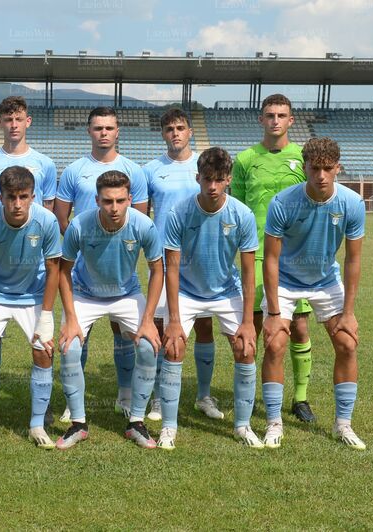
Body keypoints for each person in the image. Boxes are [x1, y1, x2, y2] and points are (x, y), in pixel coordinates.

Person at [261, 137, 366, 450]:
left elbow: (353, 260)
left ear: (338, 169)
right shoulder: (283, 202)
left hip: (325, 281)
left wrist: (349, 313)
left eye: (327, 169)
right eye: (315, 168)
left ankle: (343, 424)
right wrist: (275, 313)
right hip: (286, 281)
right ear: (304, 167)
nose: (321, 175)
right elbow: (271, 259)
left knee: (347, 343)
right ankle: (274, 423)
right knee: (275, 343)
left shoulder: (352, 203)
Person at [54, 106, 149, 422]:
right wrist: (85, 246)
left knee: (123, 333)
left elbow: (138, 220)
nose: (103, 133)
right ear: (89, 131)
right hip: (83, 268)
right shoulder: (74, 170)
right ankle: (75, 402)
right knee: (78, 334)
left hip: (121, 270)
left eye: (109, 128)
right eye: (98, 128)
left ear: (117, 131)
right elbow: (62, 215)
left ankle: (125, 394)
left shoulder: (134, 171)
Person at [161, 147, 260, 450]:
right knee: (173, 346)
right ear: (198, 178)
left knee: (245, 348)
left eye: (219, 179)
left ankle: (242, 426)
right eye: (207, 179)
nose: (213, 186)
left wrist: (247, 322)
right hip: (186, 290)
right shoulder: (179, 213)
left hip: (226, 291)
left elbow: (248, 272)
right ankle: (168, 427)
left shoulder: (242, 215)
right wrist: (174, 320)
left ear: (228, 179)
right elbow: (171, 268)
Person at [57, 170, 163, 450]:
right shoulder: (80, 225)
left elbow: (157, 269)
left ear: (130, 199)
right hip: (85, 293)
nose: (114, 208)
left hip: (126, 294)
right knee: (69, 348)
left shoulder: (143, 225)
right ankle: (78, 423)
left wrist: (148, 320)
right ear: (97, 200)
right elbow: (63, 271)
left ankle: (136, 422)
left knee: (148, 346)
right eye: (107, 201)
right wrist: (70, 318)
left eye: (120, 201)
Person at [230, 93, 317, 423]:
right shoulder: (245, 159)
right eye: (270, 115)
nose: (275, 121)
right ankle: (250, 394)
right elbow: (238, 209)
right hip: (255, 254)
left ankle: (300, 398)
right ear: (261, 119)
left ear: (291, 120)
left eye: (281, 115)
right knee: (252, 327)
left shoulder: (303, 158)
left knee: (299, 327)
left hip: (294, 257)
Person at [0, 95, 58, 396]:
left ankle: (42, 406)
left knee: (43, 343)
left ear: (28, 121)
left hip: (33, 272)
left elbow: (47, 214)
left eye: (19, 119)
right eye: (8, 119)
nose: (14, 125)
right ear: (0, 123)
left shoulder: (45, 164)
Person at [0, 166, 61, 450]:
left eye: (23, 197)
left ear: (33, 196)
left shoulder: (46, 221)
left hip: (33, 294)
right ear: (0, 197)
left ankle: (37, 425)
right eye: (11, 197)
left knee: (43, 351)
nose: (17, 204)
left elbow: (53, 268)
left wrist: (46, 316)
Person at [144, 107, 220, 422]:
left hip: (201, 259)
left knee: (204, 326)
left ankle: (203, 395)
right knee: (163, 329)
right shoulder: (151, 170)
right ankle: (159, 397)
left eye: (180, 128)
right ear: (163, 134)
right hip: (164, 262)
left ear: (190, 131)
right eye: (169, 129)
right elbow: (141, 217)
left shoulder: (205, 167)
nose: (175, 133)